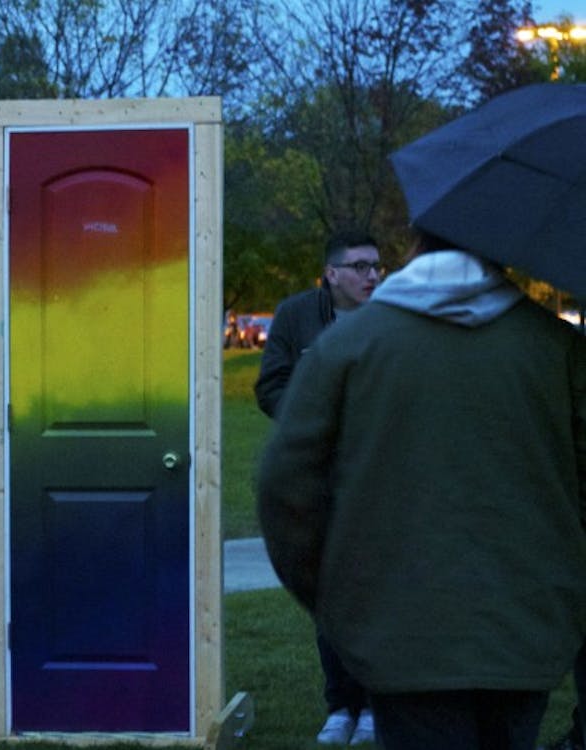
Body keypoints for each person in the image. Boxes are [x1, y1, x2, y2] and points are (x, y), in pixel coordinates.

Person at [257, 231, 586, 750]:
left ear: (414, 250)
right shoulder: (555, 345)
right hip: (526, 628)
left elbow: (286, 488)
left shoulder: (349, 344)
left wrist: (332, 597)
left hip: (401, 630)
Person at [255, 230, 382, 745]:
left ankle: (376, 702)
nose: (372, 275)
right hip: (321, 474)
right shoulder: (296, 315)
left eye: (377, 266)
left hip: (377, 471)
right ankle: (342, 705)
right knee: (331, 591)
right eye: (359, 266)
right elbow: (270, 384)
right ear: (331, 274)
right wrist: (315, 422)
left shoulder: (392, 316)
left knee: (377, 589)